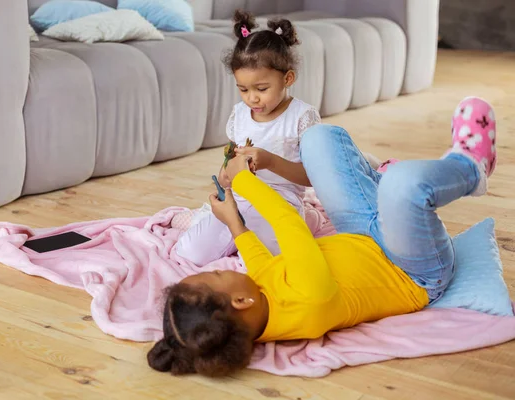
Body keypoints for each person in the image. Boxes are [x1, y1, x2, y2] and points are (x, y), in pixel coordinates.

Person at [147, 96, 498, 377]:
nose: (231, 269)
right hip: (413, 269)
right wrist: (242, 181)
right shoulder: (308, 302)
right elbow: (288, 223)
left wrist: (233, 220)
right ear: (240, 302)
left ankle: (380, 185)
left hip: (362, 236)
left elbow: (259, 262)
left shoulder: (256, 308)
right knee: (403, 185)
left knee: (317, 139)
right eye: (222, 273)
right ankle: (470, 167)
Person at [173, 10, 321, 267]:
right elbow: (231, 152)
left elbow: (312, 177)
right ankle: (213, 222)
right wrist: (224, 175)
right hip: (240, 199)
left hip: (278, 203)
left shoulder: (302, 116)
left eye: (261, 89)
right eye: (243, 89)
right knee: (189, 254)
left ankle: (305, 219)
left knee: (270, 261)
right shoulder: (241, 114)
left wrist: (270, 162)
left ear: (288, 78)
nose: (252, 98)